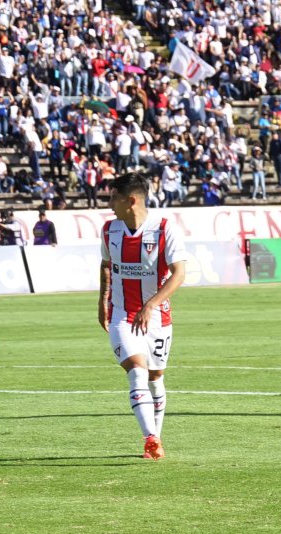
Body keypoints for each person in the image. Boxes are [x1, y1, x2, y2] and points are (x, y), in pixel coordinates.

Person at [97, 173, 189, 460]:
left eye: (113, 198)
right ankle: (149, 438)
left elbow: (179, 274)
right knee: (136, 372)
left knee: (155, 377)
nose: (110, 204)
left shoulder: (164, 229)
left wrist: (151, 304)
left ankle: (156, 438)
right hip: (122, 315)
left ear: (131, 201)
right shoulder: (109, 230)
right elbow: (106, 265)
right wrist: (102, 300)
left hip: (157, 319)